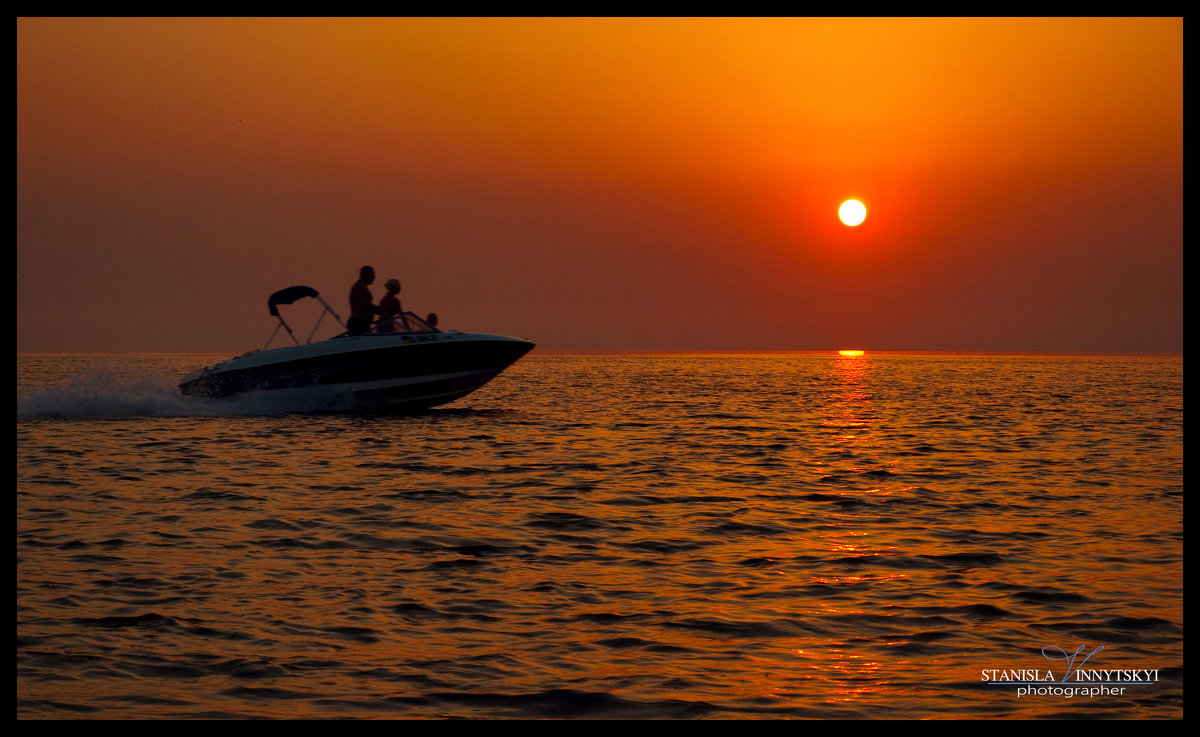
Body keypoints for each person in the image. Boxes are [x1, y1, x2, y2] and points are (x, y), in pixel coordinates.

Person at [347, 265, 378, 335]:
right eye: (372, 275)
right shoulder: (359, 287)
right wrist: (383, 310)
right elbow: (366, 305)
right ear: (365, 274)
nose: (374, 277)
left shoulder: (361, 286)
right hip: (359, 324)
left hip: (363, 323)